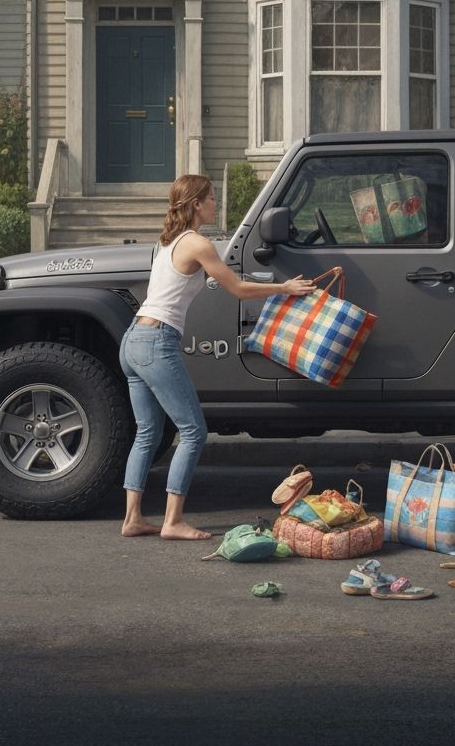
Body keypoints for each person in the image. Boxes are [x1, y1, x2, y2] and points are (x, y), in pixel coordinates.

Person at [120, 174, 314, 540]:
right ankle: (173, 521)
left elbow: (180, 284)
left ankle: (132, 518)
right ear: (196, 204)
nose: (215, 203)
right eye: (210, 198)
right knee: (193, 431)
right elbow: (239, 290)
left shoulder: (169, 241)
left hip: (132, 341)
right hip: (156, 342)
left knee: (147, 432)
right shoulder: (198, 243)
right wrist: (284, 288)